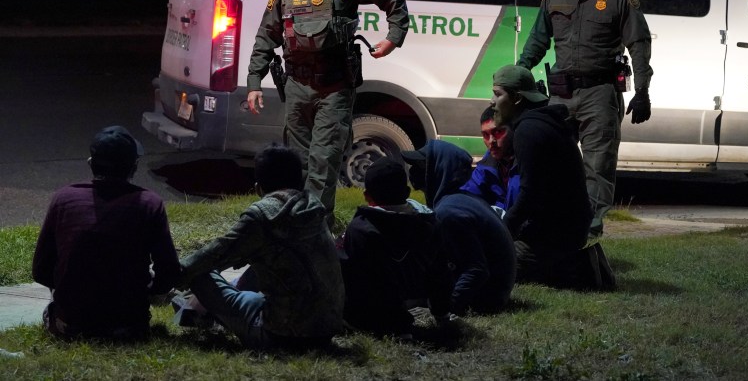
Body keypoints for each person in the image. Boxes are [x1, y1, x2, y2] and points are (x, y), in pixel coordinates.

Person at [247, 0, 409, 227]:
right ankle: (298, 220)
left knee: (324, 160)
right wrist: (254, 82)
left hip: (334, 87)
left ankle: (317, 227)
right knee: (297, 161)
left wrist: (392, 38)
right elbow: (266, 36)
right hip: (296, 86)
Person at [516, 0, 653, 239]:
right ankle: (550, 225)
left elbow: (639, 44)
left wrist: (643, 90)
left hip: (600, 94)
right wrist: (519, 72)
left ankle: (588, 234)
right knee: (551, 161)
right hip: (561, 95)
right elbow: (537, 40)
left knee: (598, 166)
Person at [175, 144, 344, 350]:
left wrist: (166, 275)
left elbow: (210, 256)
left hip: (283, 336)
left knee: (199, 274)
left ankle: (197, 313)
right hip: (326, 330)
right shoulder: (314, 208)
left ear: (258, 187)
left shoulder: (263, 217)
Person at [32, 126, 181, 340]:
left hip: (71, 326)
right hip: (129, 326)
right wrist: (144, 289)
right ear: (134, 167)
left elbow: (40, 270)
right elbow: (168, 273)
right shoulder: (150, 204)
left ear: (91, 163)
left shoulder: (63, 198)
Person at [491, 65, 614, 290]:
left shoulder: (528, 131)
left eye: (498, 94)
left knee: (492, 263)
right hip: (568, 230)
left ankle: (573, 268)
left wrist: (503, 230)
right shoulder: (541, 123)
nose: (492, 101)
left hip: (556, 237)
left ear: (517, 98)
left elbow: (530, 194)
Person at [402, 140, 516, 317]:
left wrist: (443, 309)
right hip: (496, 289)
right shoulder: (459, 199)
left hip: (488, 297)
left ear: (439, 168)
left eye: (420, 166)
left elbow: (476, 271)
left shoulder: (449, 212)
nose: (413, 172)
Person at [337, 157, 438, 338]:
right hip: (412, 301)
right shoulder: (427, 224)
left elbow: (352, 278)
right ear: (407, 192)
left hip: (369, 317)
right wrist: (442, 313)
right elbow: (440, 272)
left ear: (367, 195)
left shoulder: (361, 229)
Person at [460, 106, 519, 211]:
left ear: (513, 129)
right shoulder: (488, 163)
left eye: (497, 132)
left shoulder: (528, 161)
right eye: (485, 135)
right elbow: (467, 196)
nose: (491, 141)